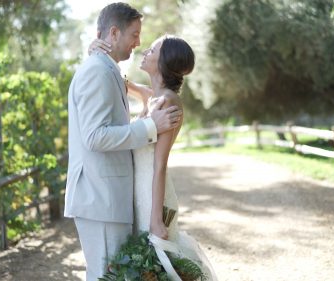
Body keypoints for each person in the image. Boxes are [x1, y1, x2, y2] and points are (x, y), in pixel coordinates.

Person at [63, 3, 183, 280]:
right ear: (114, 33)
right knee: (106, 276)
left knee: (113, 274)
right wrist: (150, 125)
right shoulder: (98, 71)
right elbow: (95, 136)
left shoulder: (107, 69)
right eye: (134, 34)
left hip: (108, 197)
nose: (138, 42)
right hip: (100, 196)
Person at [90, 35, 218, 280]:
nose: (145, 51)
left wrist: (156, 218)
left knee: (161, 264)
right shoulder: (153, 96)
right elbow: (118, 79)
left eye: (153, 49)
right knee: (147, 268)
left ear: (164, 62)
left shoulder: (169, 102)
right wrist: (96, 51)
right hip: (140, 192)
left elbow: (160, 165)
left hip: (154, 195)